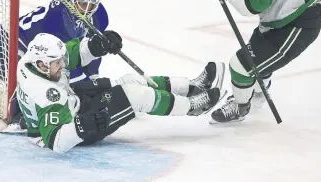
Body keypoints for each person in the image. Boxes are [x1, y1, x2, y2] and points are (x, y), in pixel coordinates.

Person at [16, 33, 225, 152]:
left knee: (129, 81)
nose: (63, 65)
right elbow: (56, 140)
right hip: (77, 127)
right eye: (57, 63)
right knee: (135, 95)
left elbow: (74, 53)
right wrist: (82, 126)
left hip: (74, 101)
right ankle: (191, 107)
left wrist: (97, 45)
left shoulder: (30, 62)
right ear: (42, 65)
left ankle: (192, 85)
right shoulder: (47, 95)